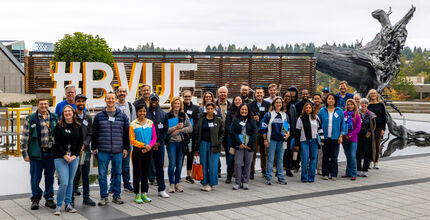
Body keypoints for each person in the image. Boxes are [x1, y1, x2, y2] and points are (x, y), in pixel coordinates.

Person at [92, 92, 130, 205]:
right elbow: (94, 133)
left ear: (116, 100)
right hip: (103, 150)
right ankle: (104, 196)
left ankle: (116, 195)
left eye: (113, 99)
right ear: (105, 100)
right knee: (102, 174)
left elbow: (126, 133)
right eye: (108, 99)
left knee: (117, 173)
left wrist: (126, 148)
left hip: (118, 150)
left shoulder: (122, 116)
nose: (110, 101)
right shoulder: (99, 116)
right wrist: (94, 147)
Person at [21, 98, 57, 210]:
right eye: (41, 104)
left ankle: (49, 198)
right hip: (36, 153)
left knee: (50, 177)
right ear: (37, 105)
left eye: (45, 104)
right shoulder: (31, 118)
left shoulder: (54, 117)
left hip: (51, 154)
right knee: (35, 178)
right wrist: (25, 154)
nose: (43, 106)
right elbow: (24, 138)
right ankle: (35, 199)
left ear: (48, 105)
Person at [52, 105, 83, 215]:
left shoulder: (78, 126)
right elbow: (57, 143)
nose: (67, 113)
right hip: (60, 157)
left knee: (70, 182)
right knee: (64, 183)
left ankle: (68, 204)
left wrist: (75, 155)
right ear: (63, 114)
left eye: (69, 111)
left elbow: (80, 142)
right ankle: (58, 205)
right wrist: (64, 155)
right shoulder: (59, 126)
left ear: (73, 113)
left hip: (74, 158)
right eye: (65, 111)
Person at [129, 104, 157, 203]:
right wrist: (143, 145)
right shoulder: (133, 124)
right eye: (140, 111)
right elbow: (132, 140)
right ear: (137, 112)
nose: (142, 113)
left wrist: (149, 146)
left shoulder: (150, 123)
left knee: (146, 173)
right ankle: (137, 194)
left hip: (148, 150)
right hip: (137, 151)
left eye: (144, 111)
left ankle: (144, 193)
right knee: (137, 173)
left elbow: (154, 137)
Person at [72, 94, 96, 207]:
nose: (81, 103)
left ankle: (86, 197)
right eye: (79, 101)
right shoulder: (71, 116)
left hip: (85, 150)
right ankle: (70, 198)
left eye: (83, 101)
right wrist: (77, 146)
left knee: (85, 174)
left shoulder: (88, 117)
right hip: (74, 151)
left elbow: (90, 133)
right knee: (74, 174)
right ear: (75, 102)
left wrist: (84, 144)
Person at [195, 103, 224, 192]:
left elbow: (222, 133)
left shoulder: (218, 120)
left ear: (214, 109)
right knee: (203, 164)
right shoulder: (201, 119)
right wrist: (197, 145)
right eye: (208, 108)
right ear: (205, 109)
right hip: (203, 144)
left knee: (213, 165)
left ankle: (211, 183)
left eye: (211, 108)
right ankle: (204, 183)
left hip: (214, 145)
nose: (210, 110)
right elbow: (197, 132)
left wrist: (218, 142)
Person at [112, 86, 136, 193]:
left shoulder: (130, 106)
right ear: (116, 93)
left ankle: (126, 184)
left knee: (126, 165)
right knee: (115, 165)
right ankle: (113, 186)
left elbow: (134, 122)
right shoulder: (112, 105)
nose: (122, 93)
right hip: (115, 139)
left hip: (127, 139)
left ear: (126, 93)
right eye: (120, 91)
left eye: (124, 91)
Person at [146, 93, 170, 198]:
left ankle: (161, 189)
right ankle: (144, 190)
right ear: (149, 101)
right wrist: (151, 143)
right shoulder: (145, 113)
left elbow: (165, 130)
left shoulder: (163, 114)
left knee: (160, 167)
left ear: (158, 101)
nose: (154, 101)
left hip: (159, 145)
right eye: (152, 100)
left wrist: (159, 142)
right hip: (148, 145)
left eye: (155, 100)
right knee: (146, 167)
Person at [167, 97, 192, 193]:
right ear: (172, 104)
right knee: (172, 163)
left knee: (179, 164)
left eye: (178, 103)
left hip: (181, 142)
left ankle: (177, 183)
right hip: (171, 142)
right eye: (175, 103)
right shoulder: (168, 115)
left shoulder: (183, 115)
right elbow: (165, 130)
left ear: (180, 105)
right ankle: (171, 184)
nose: (176, 105)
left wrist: (180, 130)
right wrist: (174, 128)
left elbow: (190, 128)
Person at [261, 97, 289, 185]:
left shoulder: (285, 115)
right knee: (270, 159)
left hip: (282, 141)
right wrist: (265, 139)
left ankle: (280, 177)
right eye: (276, 102)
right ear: (273, 104)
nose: (278, 104)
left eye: (280, 102)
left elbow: (287, 128)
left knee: (280, 159)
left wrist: (287, 134)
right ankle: (268, 177)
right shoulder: (269, 114)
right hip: (271, 140)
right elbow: (264, 127)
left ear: (282, 104)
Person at [318, 93, 346, 181]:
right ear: (326, 100)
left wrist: (341, 136)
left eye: (332, 99)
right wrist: (319, 137)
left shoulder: (339, 111)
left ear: (335, 101)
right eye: (329, 98)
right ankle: (325, 173)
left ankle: (334, 174)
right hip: (325, 138)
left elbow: (343, 125)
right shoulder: (322, 111)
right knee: (325, 156)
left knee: (334, 157)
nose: (330, 100)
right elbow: (318, 124)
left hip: (335, 138)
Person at [294, 102, 323, 183]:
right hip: (304, 141)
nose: (308, 109)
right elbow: (297, 132)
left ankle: (311, 177)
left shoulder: (316, 117)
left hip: (314, 141)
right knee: (305, 159)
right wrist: (296, 144)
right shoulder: (300, 118)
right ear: (304, 109)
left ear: (312, 109)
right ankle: (304, 177)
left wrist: (322, 140)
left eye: (309, 107)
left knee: (313, 159)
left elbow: (320, 129)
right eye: (306, 108)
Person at [230, 104, 257, 190]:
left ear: (248, 111)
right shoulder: (235, 119)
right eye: (242, 109)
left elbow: (254, 133)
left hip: (249, 146)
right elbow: (233, 132)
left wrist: (249, 144)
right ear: (239, 110)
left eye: (245, 109)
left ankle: (245, 181)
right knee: (238, 163)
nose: (244, 111)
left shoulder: (252, 120)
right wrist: (239, 143)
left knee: (248, 163)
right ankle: (238, 182)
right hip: (239, 145)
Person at [248, 87, 271, 179]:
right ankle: (251, 171)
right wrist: (252, 118)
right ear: (255, 94)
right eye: (257, 93)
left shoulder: (268, 104)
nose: (259, 95)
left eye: (261, 93)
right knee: (252, 152)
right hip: (254, 132)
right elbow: (247, 117)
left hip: (264, 132)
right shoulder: (250, 105)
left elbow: (270, 117)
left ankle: (264, 170)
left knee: (264, 152)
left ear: (263, 94)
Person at [182, 90, 200, 184]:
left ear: (191, 96)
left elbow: (197, 122)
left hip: (191, 135)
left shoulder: (196, 108)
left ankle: (188, 175)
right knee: (180, 156)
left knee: (190, 155)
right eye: (185, 96)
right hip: (181, 135)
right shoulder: (180, 107)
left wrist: (194, 132)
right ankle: (177, 175)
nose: (187, 98)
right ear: (182, 97)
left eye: (189, 96)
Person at [224, 96, 243, 183]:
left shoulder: (244, 112)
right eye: (236, 100)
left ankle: (240, 175)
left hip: (241, 138)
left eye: (239, 100)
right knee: (231, 157)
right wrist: (234, 135)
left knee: (240, 158)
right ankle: (229, 176)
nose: (238, 101)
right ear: (233, 101)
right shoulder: (230, 112)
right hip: (231, 139)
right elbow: (227, 126)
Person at [342, 99, 361, 181]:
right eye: (348, 104)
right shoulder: (344, 114)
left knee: (352, 156)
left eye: (351, 104)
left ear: (354, 105)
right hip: (344, 138)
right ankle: (348, 172)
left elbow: (358, 128)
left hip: (353, 139)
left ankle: (354, 173)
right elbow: (341, 124)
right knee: (347, 156)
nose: (350, 106)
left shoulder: (357, 115)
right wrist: (344, 134)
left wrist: (350, 135)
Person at [367, 89, 386, 169]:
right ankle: (370, 161)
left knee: (377, 144)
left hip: (379, 127)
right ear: (369, 95)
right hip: (369, 127)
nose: (373, 95)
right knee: (370, 144)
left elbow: (384, 117)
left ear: (377, 95)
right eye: (371, 93)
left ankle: (376, 161)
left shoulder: (381, 105)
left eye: (374, 93)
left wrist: (383, 129)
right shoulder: (367, 104)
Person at [357, 98, 376, 177]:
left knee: (366, 153)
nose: (364, 105)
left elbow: (374, 126)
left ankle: (365, 170)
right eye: (362, 103)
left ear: (367, 105)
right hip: (358, 135)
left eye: (365, 103)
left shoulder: (371, 114)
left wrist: (370, 132)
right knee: (358, 153)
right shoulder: (357, 113)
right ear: (360, 104)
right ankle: (358, 169)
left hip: (367, 136)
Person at [282, 91, 297, 177]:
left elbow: (294, 120)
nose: (287, 98)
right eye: (286, 96)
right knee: (281, 152)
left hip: (290, 133)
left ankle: (288, 169)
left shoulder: (292, 107)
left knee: (289, 152)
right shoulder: (280, 105)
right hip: (281, 133)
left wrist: (294, 133)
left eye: (289, 97)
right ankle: (280, 169)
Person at [312, 93, 324, 175]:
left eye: (318, 98)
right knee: (313, 152)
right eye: (315, 99)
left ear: (321, 99)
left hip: (321, 132)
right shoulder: (310, 108)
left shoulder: (323, 109)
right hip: (312, 132)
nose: (316, 100)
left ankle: (319, 168)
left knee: (320, 151)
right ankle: (313, 168)